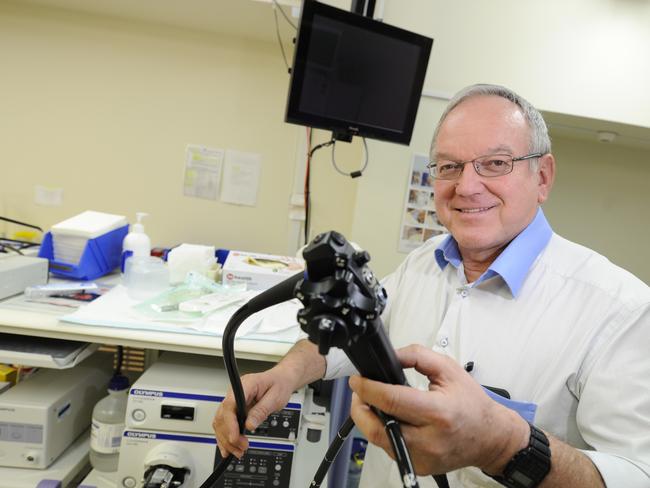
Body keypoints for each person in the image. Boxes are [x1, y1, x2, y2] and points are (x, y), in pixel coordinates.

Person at [213, 84, 650, 487]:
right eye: (450, 166)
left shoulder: (620, 310)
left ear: (542, 177)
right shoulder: (423, 262)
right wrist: (286, 374)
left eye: (495, 163)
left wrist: (503, 444)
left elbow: (635, 475)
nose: (467, 185)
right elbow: (353, 330)